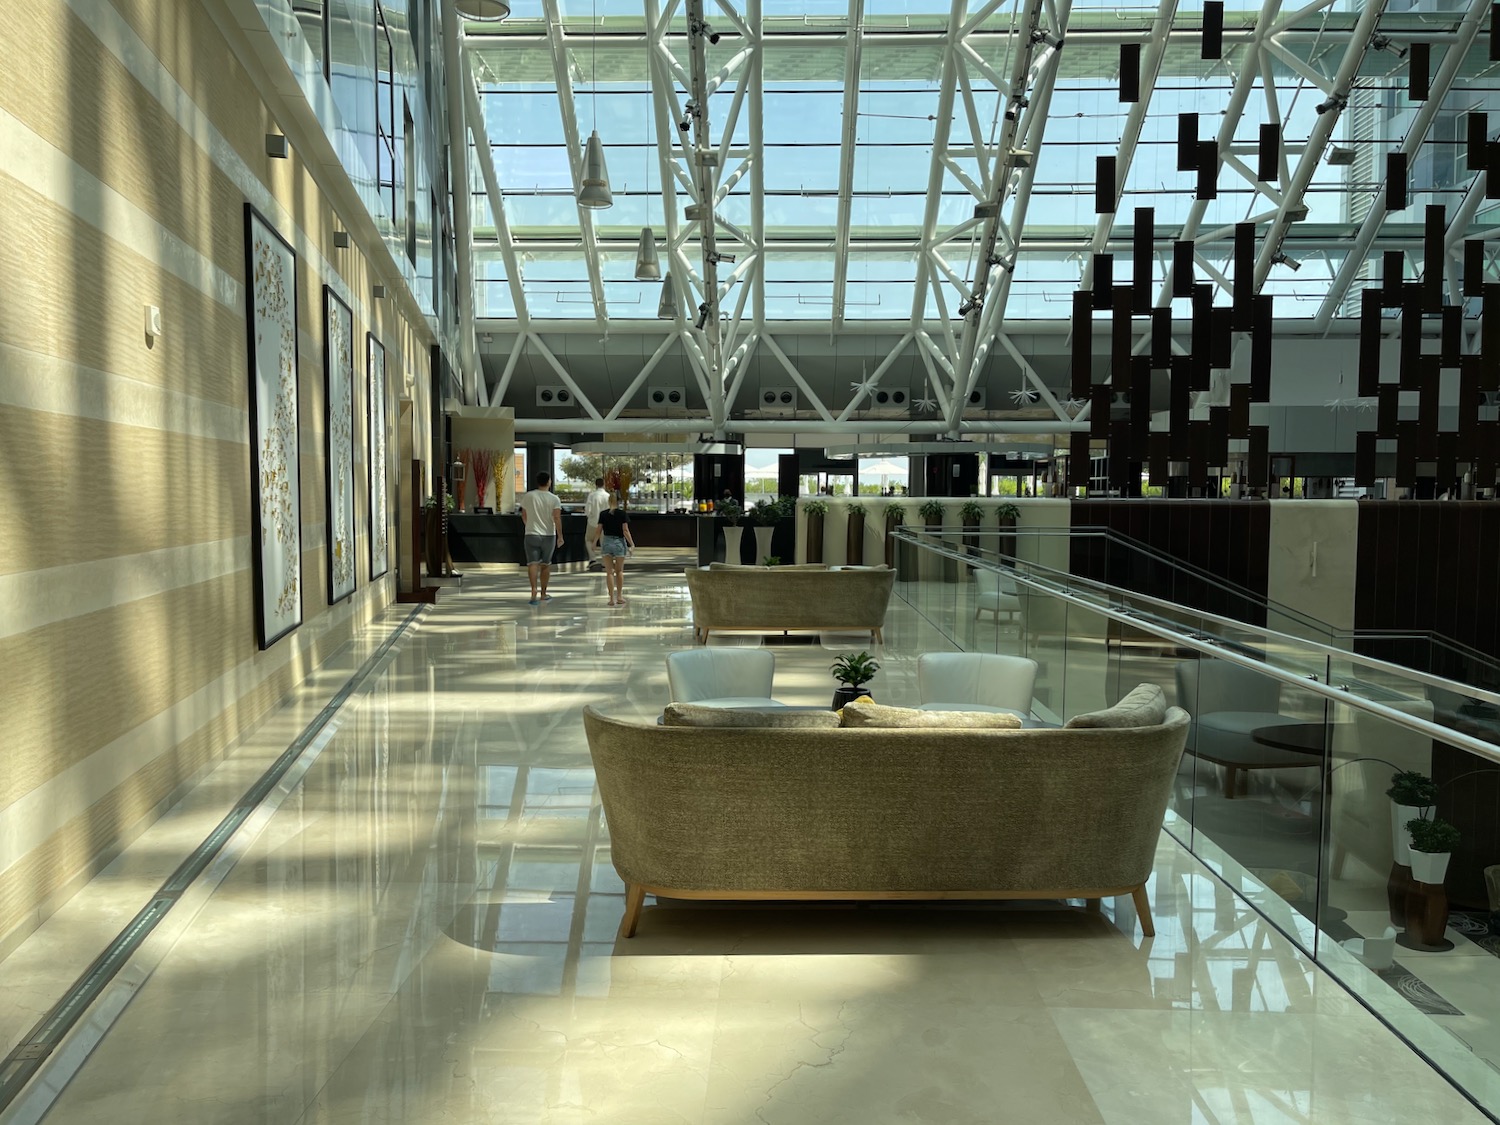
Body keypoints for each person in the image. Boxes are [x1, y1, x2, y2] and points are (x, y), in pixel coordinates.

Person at [520, 471, 564, 606]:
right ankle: (543, 594)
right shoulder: (554, 499)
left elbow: (524, 515)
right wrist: (560, 536)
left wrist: (530, 526)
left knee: (532, 564)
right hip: (548, 535)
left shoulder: (529, 496)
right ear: (549, 482)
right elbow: (556, 518)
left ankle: (533, 590)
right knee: (545, 565)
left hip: (531, 534)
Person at [590, 492, 635, 607]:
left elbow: (598, 530)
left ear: (609, 502)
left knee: (609, 572)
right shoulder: (622, 514)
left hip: (607, 542)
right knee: (619, 571)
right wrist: (632, 544)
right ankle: (619, 596)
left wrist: (594, 542)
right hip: (619, 542)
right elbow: (625, 531)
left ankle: (611, 598)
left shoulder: (603, 514)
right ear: (619, 502)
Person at [584, 477, 610, 571]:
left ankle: (592, 559)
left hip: (593, 522)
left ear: (596, 484)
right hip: (605, 524)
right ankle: (604, 562)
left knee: (588, 539)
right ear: (604, 484)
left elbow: (588, 510)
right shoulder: (608, 496)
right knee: (604, 543)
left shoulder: (592, 495)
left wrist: (589, 516)